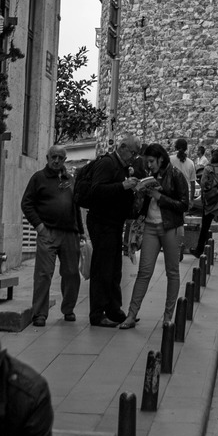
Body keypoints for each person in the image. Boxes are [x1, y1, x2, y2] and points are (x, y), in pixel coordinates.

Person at [119, 144, 189, 329]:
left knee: (172, 272)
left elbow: (183, 204)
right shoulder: (148, 176)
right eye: (147, 162)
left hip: (170, 227)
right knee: (144, 272)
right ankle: (131, 315)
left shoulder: (176, 175)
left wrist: (160, 196)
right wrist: (140, 194)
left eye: (151, 161)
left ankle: (168, 317)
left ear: (161, 158)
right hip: (150, 226)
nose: (149, 165)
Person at [78, 135, 141, 327]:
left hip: (114, 223)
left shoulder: (121, 166)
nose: (134, 157)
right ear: (122, 148)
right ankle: (97, 314)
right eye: (132, 152)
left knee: (114, 269)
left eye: (136, 154)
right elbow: (97, 191)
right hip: (101, 222)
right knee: (102, 268)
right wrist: (123, 185)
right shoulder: (107, 163)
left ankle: (114, 309)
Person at [20, 146, 82, 326]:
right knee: (43, 273)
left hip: (70, 233)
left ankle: (68, 309)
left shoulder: (70, 180)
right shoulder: (38, 178)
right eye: (53, 157)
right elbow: (27, 204)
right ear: (47, 157)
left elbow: (76, 206)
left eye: (60, 158)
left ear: (65, 160)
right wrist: (39, 227)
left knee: (71, 273)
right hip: (48, 232)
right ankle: (39, 313)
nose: (56, 160)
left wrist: (81, 233)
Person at [195, 147, 218, 262]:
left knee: (205, 226)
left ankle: (199, 250)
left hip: (212, 201)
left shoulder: (208, 169)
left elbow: (203, 184)